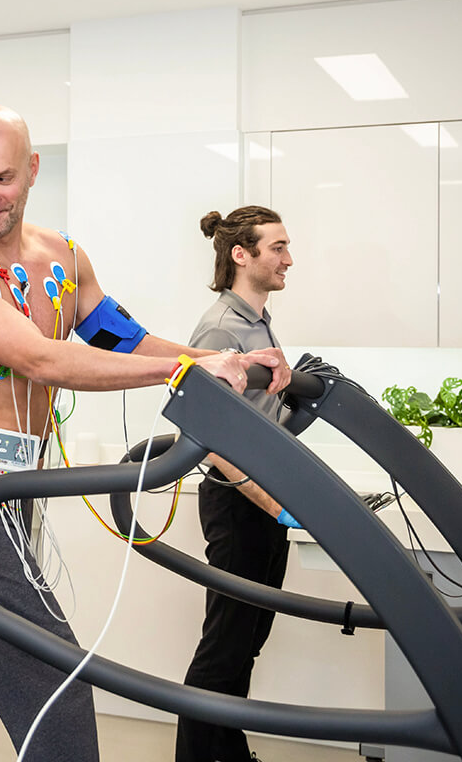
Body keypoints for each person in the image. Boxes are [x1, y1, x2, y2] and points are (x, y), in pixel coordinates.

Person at [0, 106, 290, 762]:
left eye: (2, 177)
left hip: (14, 487)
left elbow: (122, 337)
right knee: (57, 682)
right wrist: (189, 367)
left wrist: (232, 365)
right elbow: (40, 358)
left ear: (32, 170)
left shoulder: (64, 257)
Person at [176, 206, 297, 762]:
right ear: (240, 255)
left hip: (267, 501)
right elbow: (216, 438)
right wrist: (273, 504)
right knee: (225, 647)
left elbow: (256, 417)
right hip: (241, 503)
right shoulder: (222, 328)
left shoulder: (257, 322)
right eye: (277, 248)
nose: (288, 259)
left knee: (246, 643)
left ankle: (228, 751)